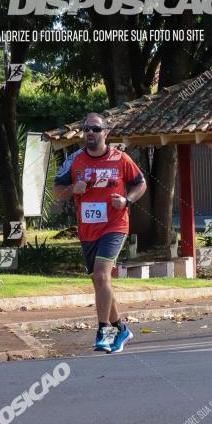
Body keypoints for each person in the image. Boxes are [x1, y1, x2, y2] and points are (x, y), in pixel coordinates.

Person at [54, 113, 147, 351]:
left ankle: (104, 331)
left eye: (96, 129)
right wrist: (73, 188)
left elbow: (140, 183)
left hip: (114, 226)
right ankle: (122, 329)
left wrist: (126, 201)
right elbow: (57, 191)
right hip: (88, 229)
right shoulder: (75, 160)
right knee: (100, 281)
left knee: (101, 275)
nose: (90, 133)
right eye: (87, 129)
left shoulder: (120, 158)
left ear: (106, 132)